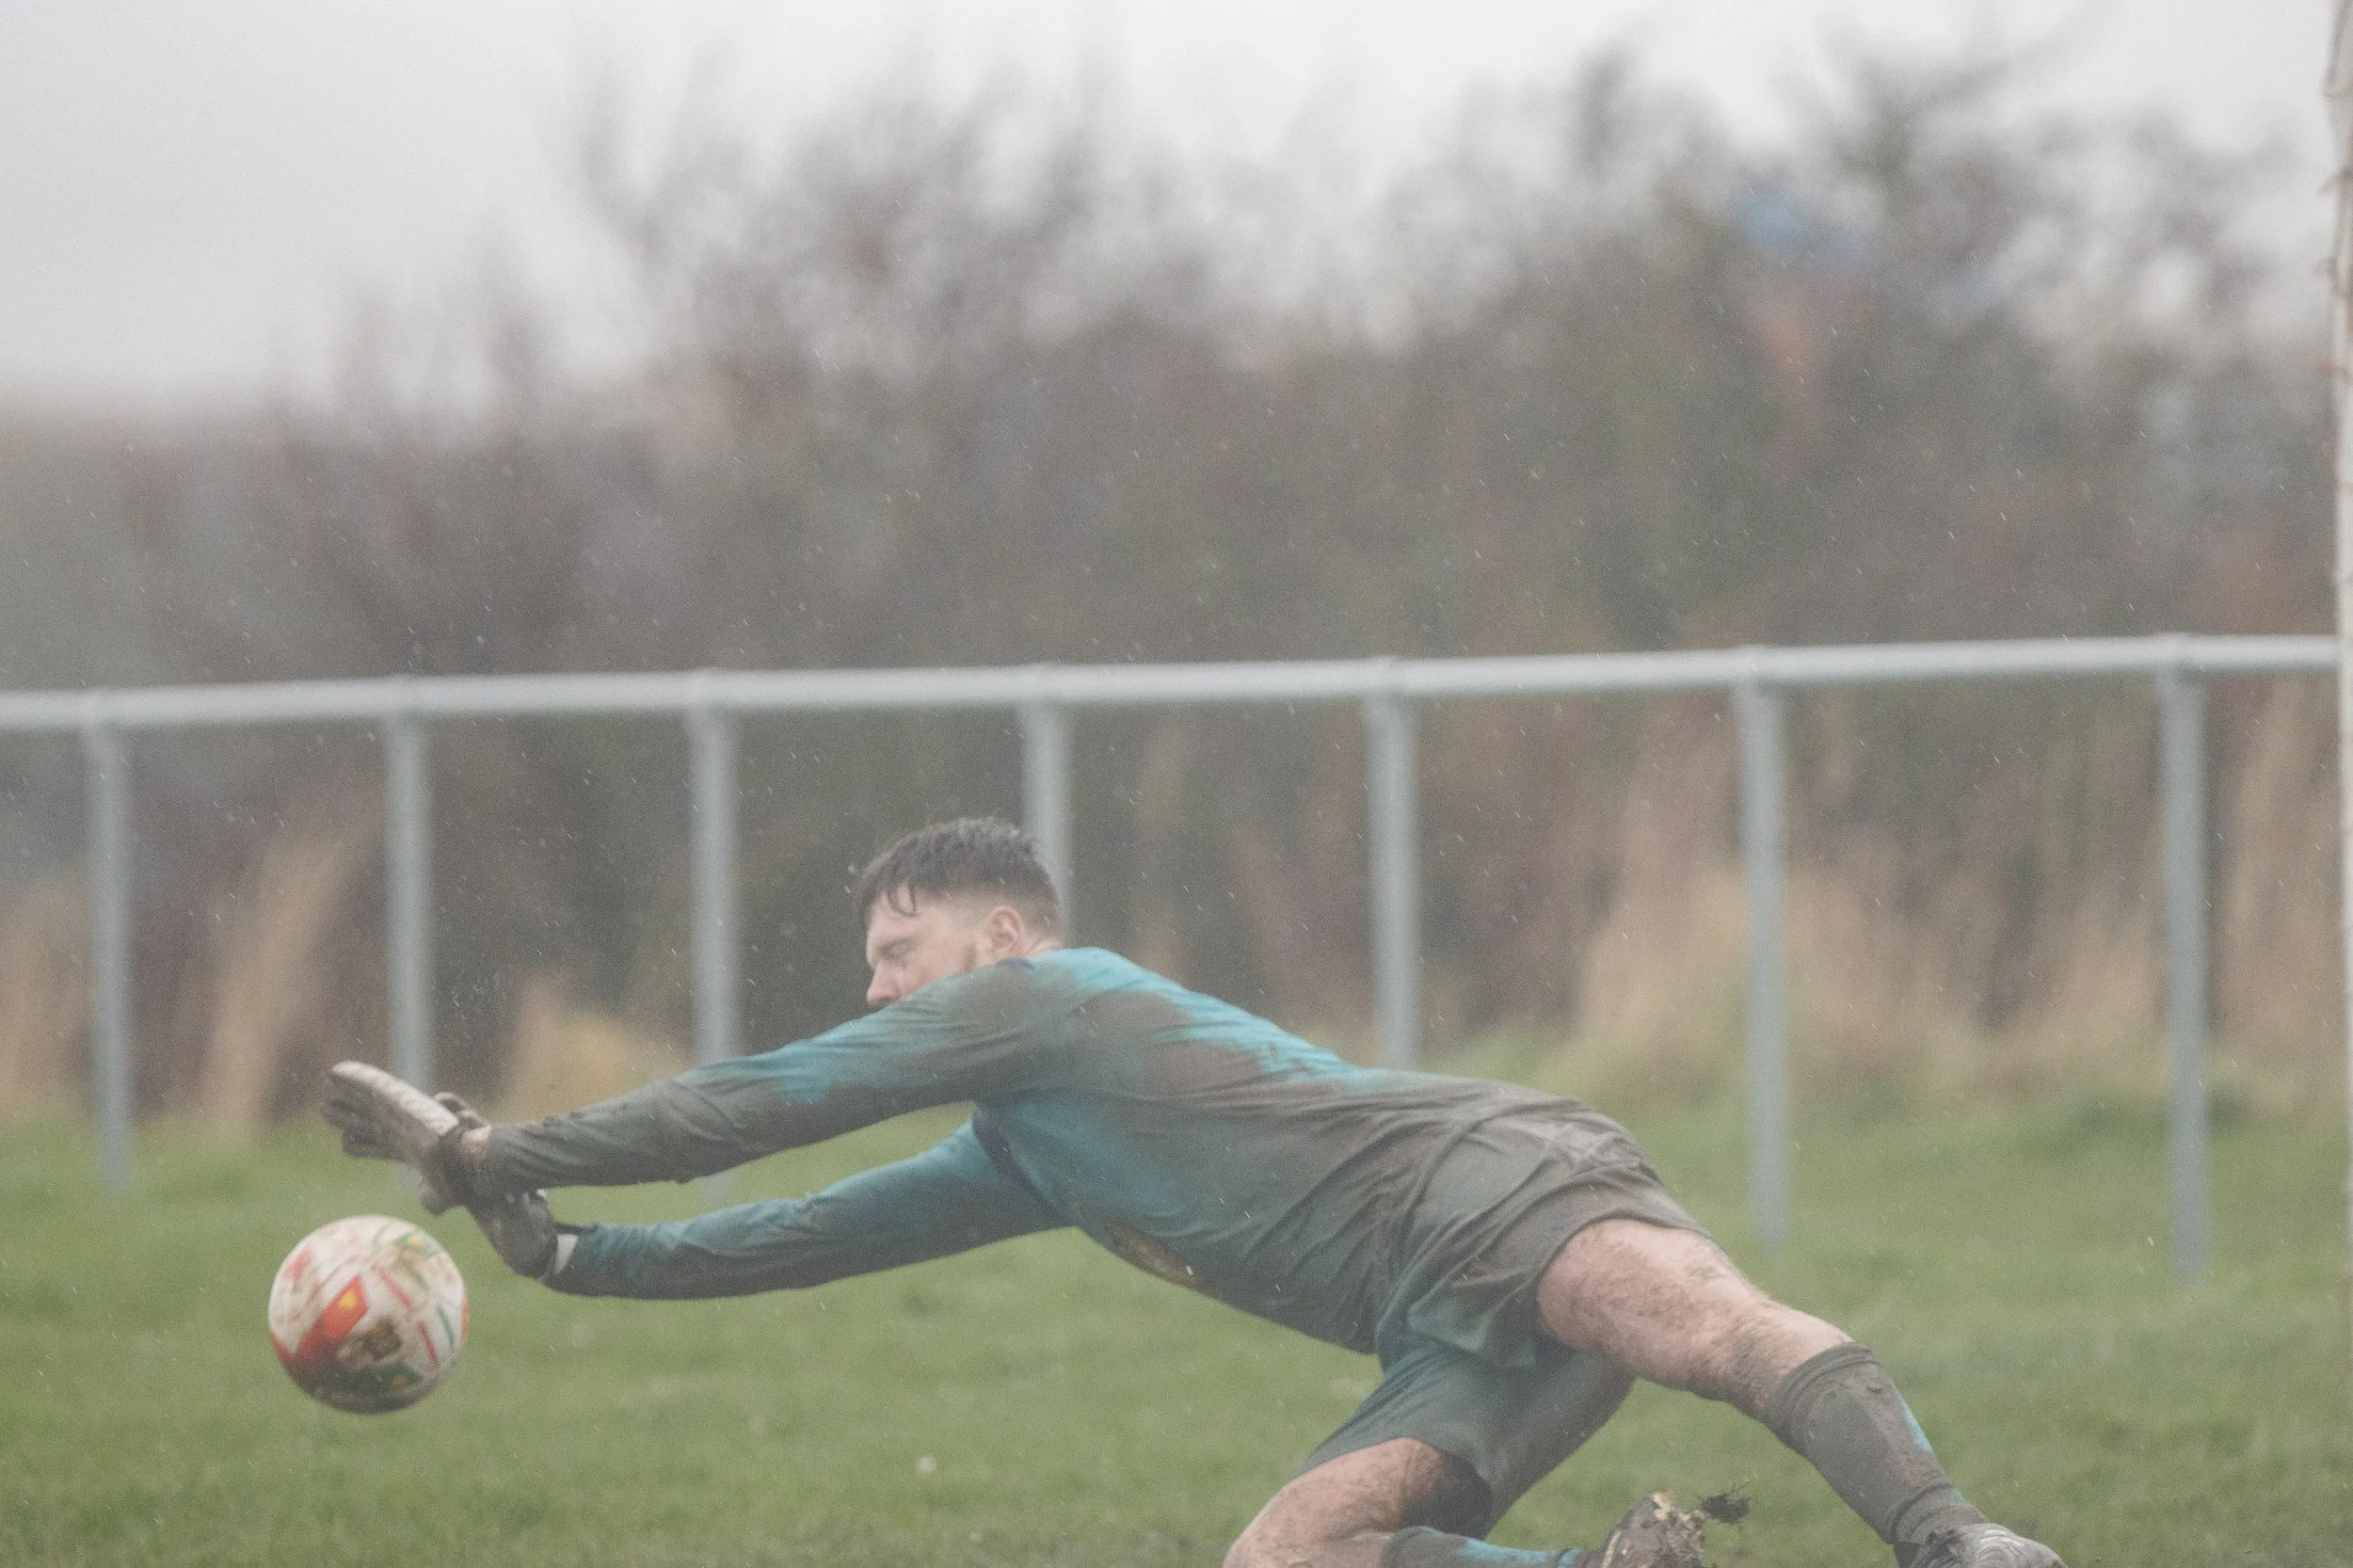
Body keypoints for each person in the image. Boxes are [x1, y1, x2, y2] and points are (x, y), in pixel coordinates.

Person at [326, 816, 2063, 1568]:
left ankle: (1954, 1536)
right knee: (1286, 1555)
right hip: (1432, 1325)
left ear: (999, 940)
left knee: (1699, 1326)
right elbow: (795, 1230)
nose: (875, 993)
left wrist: (501, 1152)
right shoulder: (1022, 1139)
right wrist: (566, 1261)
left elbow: (750, 1110)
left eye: (895, 954)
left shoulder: (1053, 998)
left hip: (1495, 1183)